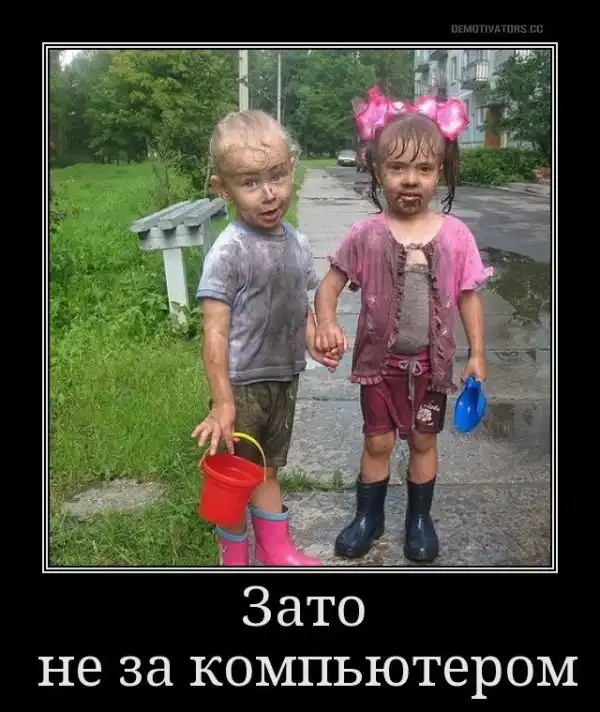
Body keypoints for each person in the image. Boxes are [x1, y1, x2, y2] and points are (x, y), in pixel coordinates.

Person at [313, 90, 493, 564]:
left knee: (423, 440)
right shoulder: (366, 234)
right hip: (380, 366)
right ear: (377, 170)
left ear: (441, 172)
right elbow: (329, 287)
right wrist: (326, 322)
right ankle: (368, 518)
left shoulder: (456, 236)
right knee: (376, 441)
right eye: (397, 168)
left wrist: (477, 353)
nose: (410, 180)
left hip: (431, 367)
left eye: (424, 169)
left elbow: (469, 296)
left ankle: (419, 520)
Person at [190, 109, 340, 567]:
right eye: (250, 182)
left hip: (283, 377)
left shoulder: (296, 243)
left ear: (291, 167)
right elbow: (214, 330)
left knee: (269, 467)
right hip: (242, 384)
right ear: (223, 188)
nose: (269, 192)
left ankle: (276, 549)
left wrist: (316, 336)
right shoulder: (229, 252)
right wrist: (223, 402)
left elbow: (301, 304)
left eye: (276, 176)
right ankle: (234, 554)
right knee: (235, 475)